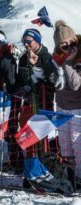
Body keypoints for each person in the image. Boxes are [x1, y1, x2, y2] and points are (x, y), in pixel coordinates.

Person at [17, 29, 55, 167]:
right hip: (28, 102)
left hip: (44, 102)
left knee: (42, 136)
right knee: (28, 134)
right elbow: (20, 79)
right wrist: (22, 87)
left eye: (29, 41)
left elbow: (51, 81)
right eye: (23, 42)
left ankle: (44, 164)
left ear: (37, 41)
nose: (26, 45)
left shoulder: (47, 57)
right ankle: (30, 165)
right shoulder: (22, 58)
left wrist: (36, 65)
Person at [51, 20, 81, 179]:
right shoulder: (56, 59)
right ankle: (70, 177)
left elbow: (76, 84)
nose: (69, 48)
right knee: (65, 145)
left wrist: (69, 62)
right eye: (64, 45)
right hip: (61, 106)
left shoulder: (78, 57)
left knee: (78, 145)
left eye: (71, 43)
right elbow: (57, 83)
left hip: (77, 108)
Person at [0, 30, 21, 171]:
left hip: (8, 98)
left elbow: (11, 80)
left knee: (10, 129)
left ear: (3, 42)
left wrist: (5, 89)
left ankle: (16, 160)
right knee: (7, 129)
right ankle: (13, 159)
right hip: (1, 97)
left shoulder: (6, 57)